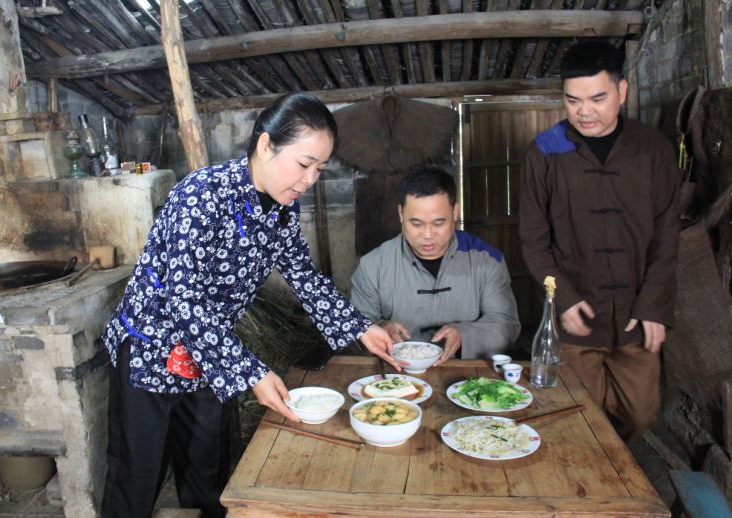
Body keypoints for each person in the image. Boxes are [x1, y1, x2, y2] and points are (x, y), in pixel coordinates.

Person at [99, 92, 398, 518]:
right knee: (135, 479)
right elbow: (185, 301)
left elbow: (306, 278)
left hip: (212, 355)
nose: (311, 178)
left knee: (210, 475)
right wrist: (253, 373)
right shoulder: (201, 196)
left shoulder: (281, 212)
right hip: (151, 350)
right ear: (264, 145)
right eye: (304, 163)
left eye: (319, 168)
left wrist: (360, 327)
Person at [519, 40, 680, 440]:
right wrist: (564, 298)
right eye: (573, 101)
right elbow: (534, 240)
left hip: (636, 315)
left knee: (640, 416)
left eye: (597, 98)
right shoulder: (545, 152)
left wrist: (654, 305)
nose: (584, 111)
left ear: (622, 91)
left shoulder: (653, 149)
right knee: (577, 418)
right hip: (576, 316)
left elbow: (666, 233)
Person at [350, 165, 521, 365]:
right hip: (397, 374)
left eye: (439, 223)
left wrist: (464, 335)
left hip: (467, 374)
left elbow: (506, 325)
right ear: (400, 214)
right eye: (416, 223)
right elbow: (353, 328)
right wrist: (380, 326)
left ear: (455, 212)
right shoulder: (373, 265)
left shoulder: (486, 260)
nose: (428, 235)